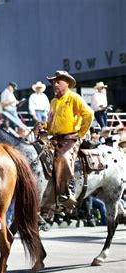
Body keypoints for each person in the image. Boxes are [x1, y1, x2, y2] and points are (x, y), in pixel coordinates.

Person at [44, 70, 93, 208]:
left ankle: (67, 191)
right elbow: (50, 122)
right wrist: (44, 126)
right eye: (53, 81)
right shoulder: (53, 101)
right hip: (55, 137)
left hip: (71, 137)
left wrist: (81, 133)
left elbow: (89, 114)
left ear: (67, 83)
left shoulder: (74, 97)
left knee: (62, 157)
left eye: (58, 81)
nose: (55, 83)